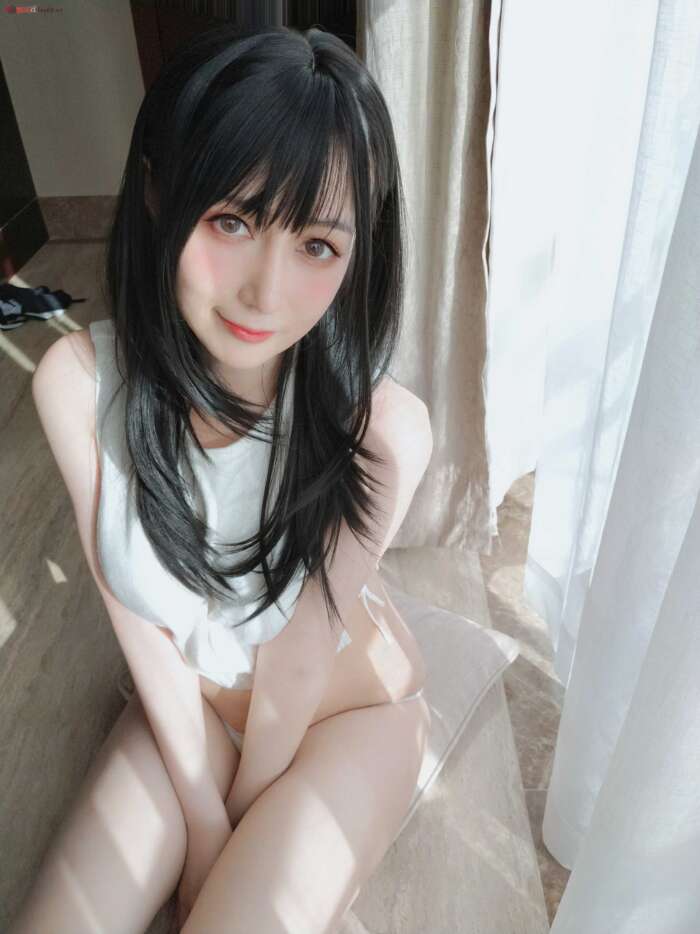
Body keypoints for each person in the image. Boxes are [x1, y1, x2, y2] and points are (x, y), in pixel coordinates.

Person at [12, 22, 433, 934]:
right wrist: (203, 823)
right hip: (191, 710)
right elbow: (138, 625)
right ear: (160, 194)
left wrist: (236, 832)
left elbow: (300, 658)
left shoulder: (383, 431)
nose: (264, 293)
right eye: (233, 222)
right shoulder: (79, 387)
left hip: (341, 716)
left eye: (317, 245)